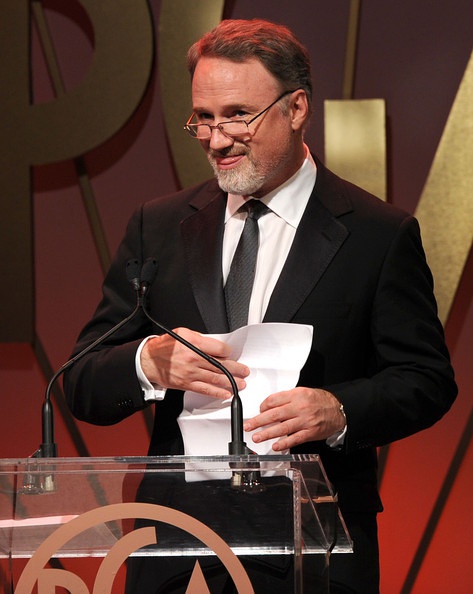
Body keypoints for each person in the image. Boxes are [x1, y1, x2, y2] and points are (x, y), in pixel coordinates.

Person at [64, 18, 457, 594]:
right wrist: (149, 364)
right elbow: (80, 382)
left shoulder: (377, 234)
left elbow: (426, 380)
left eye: (237, 116)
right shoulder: (159, 225)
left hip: (313, 552)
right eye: (203, 117)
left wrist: (338, 410)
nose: (216, 139)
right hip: (177, 550)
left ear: (296, 108)